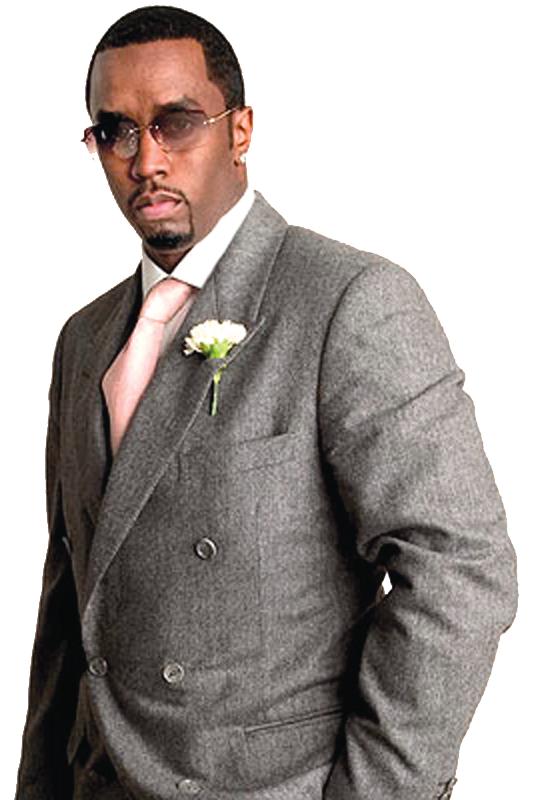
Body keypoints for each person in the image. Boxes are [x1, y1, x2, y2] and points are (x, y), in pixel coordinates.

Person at [15, 6, 518, 800]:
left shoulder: (348, 300)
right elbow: (68, 598)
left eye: (176, 123)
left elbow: (459, 569)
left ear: (240, 130)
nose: (146, 160)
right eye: (115, 132)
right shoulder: (84, 339)